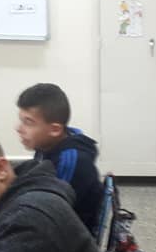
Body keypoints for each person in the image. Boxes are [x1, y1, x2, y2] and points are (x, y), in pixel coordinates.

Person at [15, 83, 104, 233]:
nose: (19, 128)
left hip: (69, 234)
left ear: (55, 130)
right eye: (21, 120)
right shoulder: (47, 144)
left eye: (28, 122)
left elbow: (52, 210)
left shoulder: (71, 162)